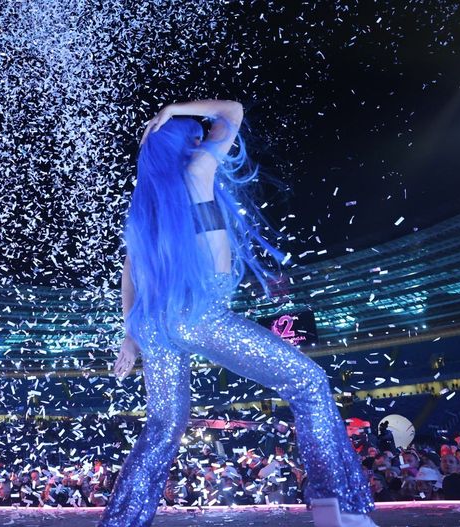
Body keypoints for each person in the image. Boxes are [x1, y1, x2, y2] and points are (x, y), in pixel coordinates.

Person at [103, 100, 375, 527]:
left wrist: (129, 335)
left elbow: (130, 273)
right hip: (200, 314)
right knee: (308, 382)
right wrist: (173, 110)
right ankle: (341, 507)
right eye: (196, 139)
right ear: (188, 145)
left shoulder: (146, 208)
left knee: (163, 424)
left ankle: (122, 521)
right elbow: (232, 111)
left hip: (155, 323)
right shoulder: (196, 174)